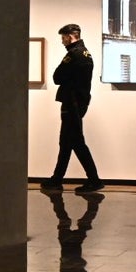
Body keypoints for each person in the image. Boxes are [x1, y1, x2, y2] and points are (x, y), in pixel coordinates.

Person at [41, 23, 104, 193]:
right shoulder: (85, 53)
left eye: (63, 38)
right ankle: (57, 178)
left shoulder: (74, 54)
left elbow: (57, 77)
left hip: (72, 102)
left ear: (70, 36)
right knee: (66, 142)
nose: (62, 41)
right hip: (78, 102)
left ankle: (94, 180)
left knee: (76, 142)